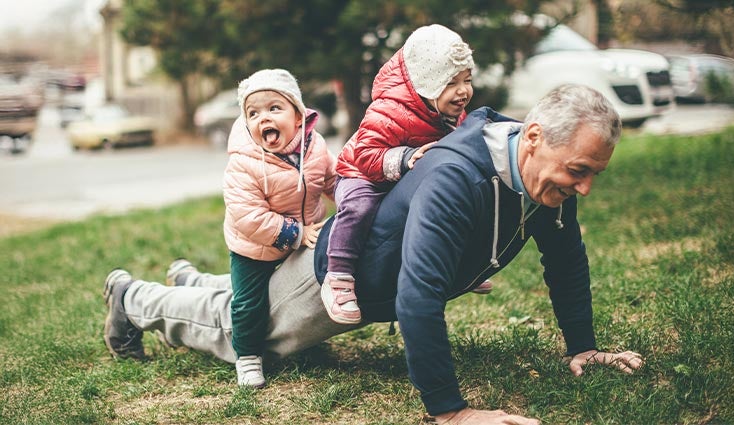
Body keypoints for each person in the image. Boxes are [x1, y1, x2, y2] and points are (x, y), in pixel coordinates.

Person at [103, 84, 643, 425]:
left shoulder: (541, 181)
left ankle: (193, 280)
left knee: (249, 299)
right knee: (239, 332)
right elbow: (418, 296)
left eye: (594, 173)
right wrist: (451, 411)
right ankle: (134, 300)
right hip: (333, 279)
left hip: (363, 276)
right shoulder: (460, 177)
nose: (586, 188)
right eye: (579, 171)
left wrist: (584, 347)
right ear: (533, 138)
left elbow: (566, 259)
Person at [322, 23, 486, 324]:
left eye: (467, 79)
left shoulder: (449, 113)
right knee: (360, 207)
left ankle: (458, 264)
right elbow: (365, 155)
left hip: (403, 176)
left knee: (446, 205)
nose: (463, 91)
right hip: (361, 173)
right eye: (451, 83)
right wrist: (407, 157)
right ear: (426, 83)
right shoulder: (387, 110)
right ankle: (339, 275)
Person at [222, 68, 336, 388]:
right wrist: (297, 233)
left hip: (306, 231)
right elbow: (248, 216)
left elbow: (331, 180)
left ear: (299, 116)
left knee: (304, 288)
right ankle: (247, 356)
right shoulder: (244, 162)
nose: (263, 118)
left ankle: (309, 337)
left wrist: (350, 198)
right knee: (249, 302)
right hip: (254, 245)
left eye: (275, 108)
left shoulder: (315, 147)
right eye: (253, 113)